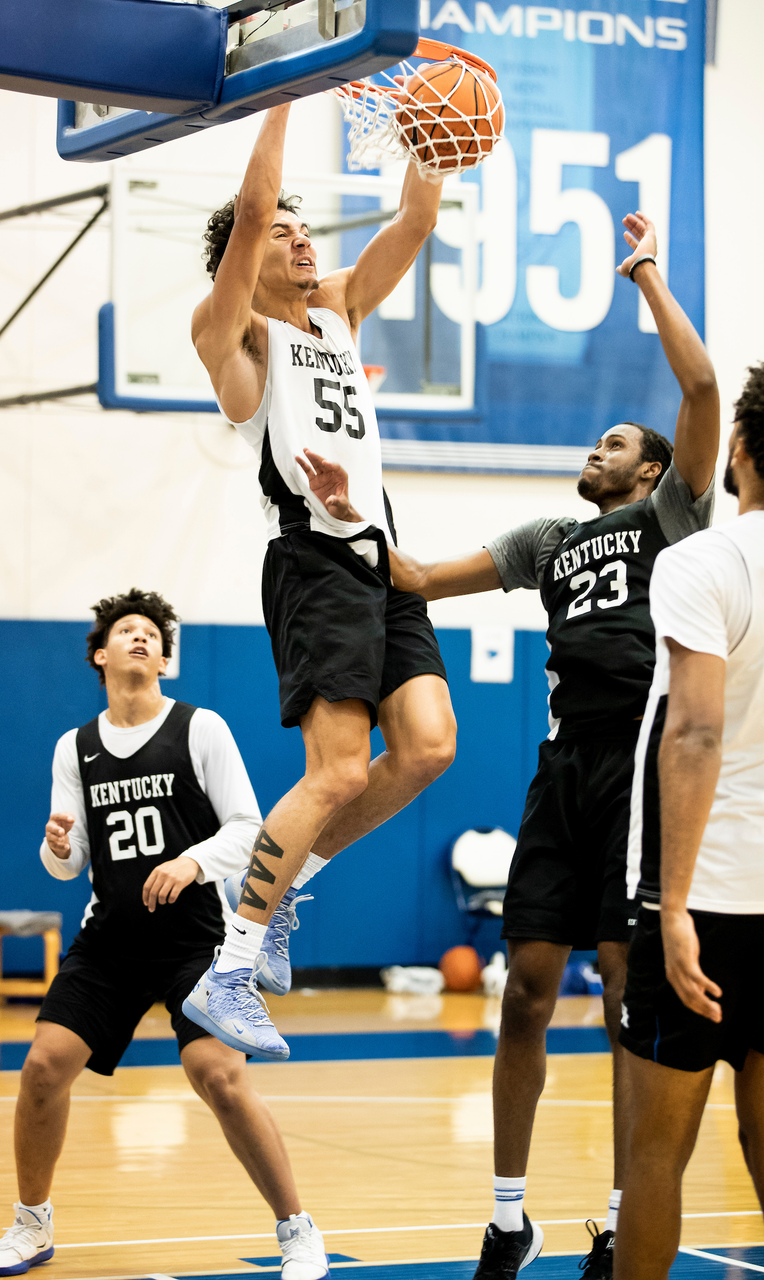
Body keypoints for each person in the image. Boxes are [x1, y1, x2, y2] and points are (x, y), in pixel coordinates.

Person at [385, 214, 720, 1277]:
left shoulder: (674, 515)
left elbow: (702, 388)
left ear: (653, 467)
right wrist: (344, 504)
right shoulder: (546, 540)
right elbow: (418, 579)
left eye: (613, 441)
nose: (594, 449)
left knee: (621, 987)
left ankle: (621, 1217)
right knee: (526, 984)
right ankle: (506, 1216)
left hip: (640, 763)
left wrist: (646, 275)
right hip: (562, 765)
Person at [183, 103, 457, 1062]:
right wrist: (285, 91)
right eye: (283, 234)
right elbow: (254, 209)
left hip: (380, 552)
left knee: (426, 748)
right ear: (245, 256)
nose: (301, 240)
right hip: (312, 557)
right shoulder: (233, 334)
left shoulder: (336, 309)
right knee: (336, 770)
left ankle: (286, 882)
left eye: (308, 231)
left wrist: (437, 136)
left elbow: (415, 219)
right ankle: (228, 968)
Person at [0, 589, 329, 1280]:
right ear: (99, 655)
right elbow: (68, 865)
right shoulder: (74, 747)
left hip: (194, 939)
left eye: (152, 634)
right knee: (43, 1067)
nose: (140, 639)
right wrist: (56, 846)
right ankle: (31, 1225)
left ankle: (298, 1231)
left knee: (218, 1075)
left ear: (165, 658)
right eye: (126, 631)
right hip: (109, 940)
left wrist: (191, 861)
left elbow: (250, 830)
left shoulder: (200, 728)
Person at [615, 369, 764, 1280]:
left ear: (739, 451)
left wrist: (669, 907)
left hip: (706, 896)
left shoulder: (702, 560)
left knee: (654, 1159)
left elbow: (697, 730)